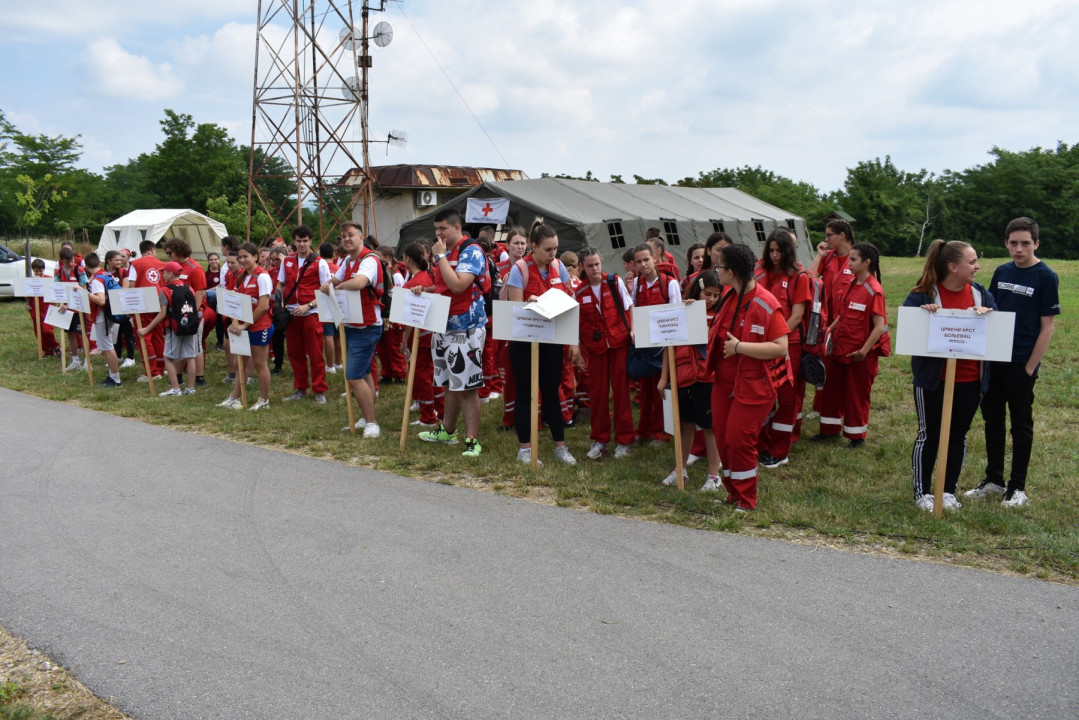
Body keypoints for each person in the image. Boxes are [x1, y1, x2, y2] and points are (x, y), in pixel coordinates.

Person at [966, 217, 1060, 508]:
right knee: (992, 421)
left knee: (1020, 425)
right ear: (1006, 243)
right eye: (1014, 243)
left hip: (1022, 362)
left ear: (1036, 244)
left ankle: (1017, 488)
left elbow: (1048, 327)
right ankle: (994, 480)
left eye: (1025, 244)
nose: (1019, 249)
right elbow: (992, 310)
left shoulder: (1046, 276)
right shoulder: (1002, 271)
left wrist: (1030, 367)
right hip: (994, 360)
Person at [903, 240, 996, 513]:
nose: (977, 266)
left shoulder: (980, 294)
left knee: (958, 435)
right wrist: (924, 315)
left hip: (970, 381)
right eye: (972, 261)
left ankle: (948, 491)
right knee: (928, 435)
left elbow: (996, 328)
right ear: (953, 267)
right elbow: (910, 332)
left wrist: (987, 315)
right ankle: (922, 493)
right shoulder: (924, 295)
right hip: (933, 381)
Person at [707, 243, 790, 512]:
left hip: (754, 387)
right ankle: (733, 493)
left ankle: (746, 499)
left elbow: (780, 347)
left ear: (730, 272)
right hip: (724, 384)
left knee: (739, 441)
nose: (715, 271)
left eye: (719, 267)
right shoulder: (729, 296)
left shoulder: (766, 303)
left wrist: (740, 347)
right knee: (723, 440)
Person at [413, 209, 489, 457]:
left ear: (457, 228)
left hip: (466, 328)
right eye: (436, 230)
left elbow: (458, 286)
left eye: (443, 229)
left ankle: (472, 440)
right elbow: (445, 284)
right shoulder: (444, 254)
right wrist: (425, 290)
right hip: (443, 325)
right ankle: (447, 431)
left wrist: (441, 257)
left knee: (467, 387)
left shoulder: (472, 251)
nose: (438, 234)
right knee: (448, 383)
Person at [504, 222, 578, 465]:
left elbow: (569, 301)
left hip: (552, 340)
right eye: (548, 249)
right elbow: (515, 309)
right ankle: (525, 449)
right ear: (533, 247)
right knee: (525, 393)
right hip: (524, 342)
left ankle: (560, 446)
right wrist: (530, 301)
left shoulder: (558, 267)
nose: (553, 254)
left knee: (551, 393)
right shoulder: (519, 269)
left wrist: (573, 342)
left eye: (555, 248)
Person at [812, 242, 888, 448]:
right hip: (840, 347)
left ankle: (857, 436)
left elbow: (879, 327)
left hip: (860, 354)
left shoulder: (874, 290)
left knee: (856, 395)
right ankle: (829, 430)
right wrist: (829, 332)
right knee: (832, 390)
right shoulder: (851, 284)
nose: (849, 263)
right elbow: (843, 315)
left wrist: (863, 352)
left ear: (867, 262)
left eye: (853, 260)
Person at [658, 270, 723, 490]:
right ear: (698, 290)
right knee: (684, 425)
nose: (711, 299)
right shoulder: (681, 312)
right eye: (707, 294)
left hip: (706, 379)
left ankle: (714, 476)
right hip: (683, 378)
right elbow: (668, 344)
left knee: (709, 427)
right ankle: (680, 469)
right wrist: (664, 378)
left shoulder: (720, 316)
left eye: (716, 295)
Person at [756, 229, 811, 467]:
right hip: (763, 343)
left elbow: (797, 315)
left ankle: (780, 451)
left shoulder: (799, 277)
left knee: (787, 398)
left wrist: (777, 339)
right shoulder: (762, 273)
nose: (775, 255)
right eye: (771, 250)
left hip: (790, 345)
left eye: (779, 250)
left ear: (788, 251)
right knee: (764, 395)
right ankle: (763, 443)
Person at [322, 222, 383, 437]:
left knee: (353, 376)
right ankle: (367, 417)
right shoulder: (348, 260)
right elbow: (336, 278)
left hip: (366, 326)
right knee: (364, 373)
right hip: (351, 323)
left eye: (351, 235)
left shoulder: (370, 260)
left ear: (360, 237)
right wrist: (329, 283)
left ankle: (373, 423)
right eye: (343, 236)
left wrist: (336, 286)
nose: (346, 239)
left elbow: (358, 283)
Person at [574, 247, 635, 460]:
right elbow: (577, 325)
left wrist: (632, 330)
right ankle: (600, 440)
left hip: (619, 344)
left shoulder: (614, 282)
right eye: (590, 266)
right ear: (582, 267)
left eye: (597, 264)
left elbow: (629, 307)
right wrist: (579, 352)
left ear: (602, 262)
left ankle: (625, 441)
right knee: (598, 395)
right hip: (595, 349)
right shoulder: (579, 292)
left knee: (621, 393)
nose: (595, 269)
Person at [631, 243, 682, 444]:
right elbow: (634, 309)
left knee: (662, 388)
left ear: (655, 258)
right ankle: (643, 429)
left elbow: (677, 314)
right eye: (639, 261)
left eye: (646, 259)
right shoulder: (637, 284)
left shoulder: (669, 283)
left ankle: (661, 432)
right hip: (645, 344)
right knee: (645, 389)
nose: (643, 264)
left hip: (664, 345)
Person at [278, 225, 332, 404]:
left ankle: (319, 390)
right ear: (294, 241)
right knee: (294, 352)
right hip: (292, 313)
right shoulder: (287, 261)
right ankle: (300, 388)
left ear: (311, 241)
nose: (302, 244)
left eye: (305, 241)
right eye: (299, 241)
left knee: (315, 353)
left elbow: (326, 290)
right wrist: (281, 302)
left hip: (312, 313)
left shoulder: (320, 262)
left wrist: (308, 306)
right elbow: (280, 284)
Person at [219, 242, 274, 411]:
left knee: (259, 364)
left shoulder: (262, 277)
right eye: (240, 257)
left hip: (259, 327)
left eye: (246, 257)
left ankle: (264, 400)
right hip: (243, 326)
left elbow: (263, 306)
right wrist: (235, 322)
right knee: (239, 364)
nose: (242, 260)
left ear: (255, 257)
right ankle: (235, 397)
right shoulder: (243, 276)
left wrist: (244, 325)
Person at [140, 261, 200, 396]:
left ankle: (175, 388)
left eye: (164, 272)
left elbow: (162, 314)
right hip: (190, 326)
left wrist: (146, 329)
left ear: (171, 274)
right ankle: (191, 388)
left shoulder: (165, 290)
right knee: (190, 357)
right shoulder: (189, 288)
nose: (162, 275)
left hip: (174, 328)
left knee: (168, 357)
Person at [399, 243, 442, 428]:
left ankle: (428, 417)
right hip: (433, 335)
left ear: (408, 259)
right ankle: (442, 411)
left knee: (423, 378)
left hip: (421, 338)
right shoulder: (429, 276)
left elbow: (409, 319)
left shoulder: (412, 284)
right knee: (434, 376)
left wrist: (403, 341)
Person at [163, 237, 208, 386]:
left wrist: (192, 315)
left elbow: (200, 293)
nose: (168, 256)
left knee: (196, 345)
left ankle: (199, 377)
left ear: (178, 252)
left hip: (192, 314)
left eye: (170, 253)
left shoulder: (195, 268)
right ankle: (178, 376)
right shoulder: (175, 267)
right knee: (180, 344)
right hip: (178, 314)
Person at [496, 227, 528, 430]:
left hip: (526, 323)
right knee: (507, 372)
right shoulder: (498, 268)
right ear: (507, 245)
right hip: (505, 321)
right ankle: (509, 418)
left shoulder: (530, 267)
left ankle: (530, 414)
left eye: (523, 243)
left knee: (526, 372)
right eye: (516, 243)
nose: (520, 247)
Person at [124, 239, 165, 382]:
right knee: (158, 335)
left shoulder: (136, 264)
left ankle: (152, 372)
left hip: (143, 302)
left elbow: (132, 285)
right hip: (160, 301)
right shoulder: (162, 264)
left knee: (144, 336)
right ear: (153, 250)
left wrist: (130, 305)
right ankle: (160, 367)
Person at [86, 252, 124, 388]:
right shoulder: (107, 275)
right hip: (111, 313)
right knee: (108, 346)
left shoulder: (97, 279)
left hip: (103, 315)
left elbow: (101, 300)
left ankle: (116, 378)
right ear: (100, 264)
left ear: (86, 266)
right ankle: (112, 375)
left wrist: (86, 293)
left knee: (108, 347)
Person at [56, 246, 88, 370]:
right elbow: (57, 290)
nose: (70, 264)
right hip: (66, 309)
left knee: (82, 334)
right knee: (70, 334)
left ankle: (86, 361)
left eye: (71, 261)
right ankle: (75, 360)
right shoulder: (58, 272)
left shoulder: (79, 270)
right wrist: (62, 303)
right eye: (67, 262)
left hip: (78, 308)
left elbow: (84, 288)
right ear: (61, 260)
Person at [26, 258, 60, 356]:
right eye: (36, 271)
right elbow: (27, 295)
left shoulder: (48, 279)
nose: (38, 273)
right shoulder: (30, 281)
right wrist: (28, 303)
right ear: (33, 270)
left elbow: (54, 292)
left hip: (47, 308)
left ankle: (56, 346)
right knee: (38, 330)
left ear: (43, 270)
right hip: (35, 307)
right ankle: (47, 350)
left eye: (40, 271)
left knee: (47, 330)